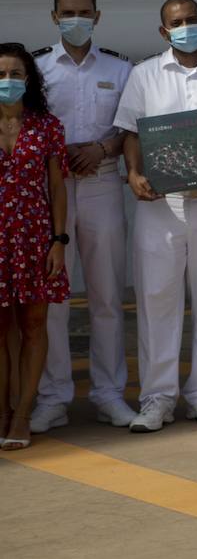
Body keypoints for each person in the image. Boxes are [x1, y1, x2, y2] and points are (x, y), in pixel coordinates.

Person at [114, 0, 197, 431]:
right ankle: (157, 398)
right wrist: (132, 173)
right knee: (157, 301)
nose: (185, 27)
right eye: (176, 23)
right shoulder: (144, 73)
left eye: (192, 20)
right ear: (163, 32)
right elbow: (129, 131)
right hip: (160, 206)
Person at [31, 0, 134, 432]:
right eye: (67, 12)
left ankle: (109, 392)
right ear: (54, 17)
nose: (76, 19)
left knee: (107, 296)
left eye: (84, 12)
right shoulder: (36, 70)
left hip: (102, 187)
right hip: (49, 195)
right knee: (54, 298)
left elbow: (131, 129)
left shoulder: (120, 68)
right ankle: (53, 396)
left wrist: (103, 149)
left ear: (97, 15)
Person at [0, 44, 69, 449]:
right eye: (1, 73)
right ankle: (2, 412)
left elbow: (58, 188)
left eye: (14, 74)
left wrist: (58, 241)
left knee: (32, 327)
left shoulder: (46, 126)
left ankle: (23, 414)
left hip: (34, 236)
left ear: (28, 80)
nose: (7, 81)